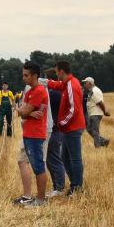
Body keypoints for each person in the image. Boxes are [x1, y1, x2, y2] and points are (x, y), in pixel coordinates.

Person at [45, 61, 86, 195]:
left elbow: (74, 109)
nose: (56, 74)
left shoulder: (72, 85)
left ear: (61, 71)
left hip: (72, 127)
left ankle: (77, 187)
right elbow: (57, 85)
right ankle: (74, 183)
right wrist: (46, 82)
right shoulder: (67, 83)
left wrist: (62, 122)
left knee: (75, 158)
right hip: (69, 127)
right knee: (65, 157)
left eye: (57, 72)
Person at [13, 62, 49, 207]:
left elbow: (22, 111)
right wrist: (26, 112)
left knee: (38, 167)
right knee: (24, 161)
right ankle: (30, 197)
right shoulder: (29, 92)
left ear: (35, 76)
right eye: (23, 75)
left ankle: (40, 200)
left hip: (35, 134)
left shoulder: (39, 91)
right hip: (29, 133)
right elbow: (22, 113)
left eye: (26, 75)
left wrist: (25, 111)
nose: (23, 78)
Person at [44, 70, 66, 198]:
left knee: (54, 159)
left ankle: (59, 188)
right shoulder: (60, 92)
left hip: (54, 129)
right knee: (51, 159)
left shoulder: (52, 94)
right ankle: (56, 186)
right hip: (58, 129)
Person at [83, 77, 110, 148]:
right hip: (92, 113)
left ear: (90, 83)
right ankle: (103, 141)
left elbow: (100, 102)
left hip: (95, 113)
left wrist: (105, 111)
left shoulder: (94, 91)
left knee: (95, 131)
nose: (84, 85)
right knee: (89, 129)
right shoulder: (92, 91)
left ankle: (97, 147)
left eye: (85, 83)